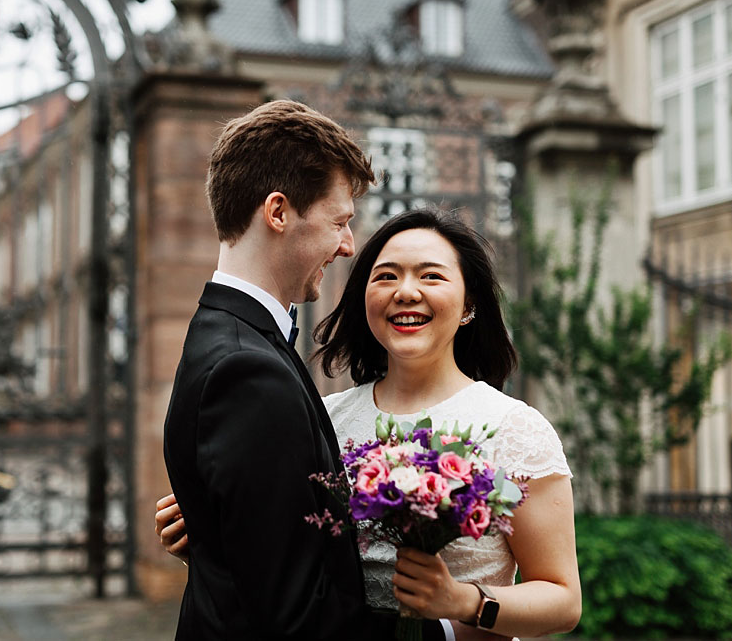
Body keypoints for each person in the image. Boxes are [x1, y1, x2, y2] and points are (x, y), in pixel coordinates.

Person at [158, 209, 583, 639]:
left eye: (431, 276)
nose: (406, 292)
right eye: (385, 277)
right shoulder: (326, 417)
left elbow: (562, 600)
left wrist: (466, 602)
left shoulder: (514, 428)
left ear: (469, 304)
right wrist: (214, 539)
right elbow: (289, 573)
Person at [161, 100, 450, 640]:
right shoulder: (248, 370)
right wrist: (447, 634)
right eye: (340, 221)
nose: (348, 245)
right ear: (278, 212)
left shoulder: (228, 336)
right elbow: (296, 618)